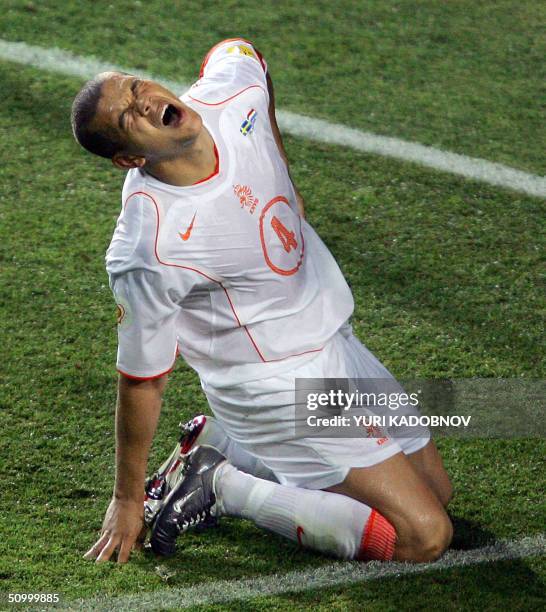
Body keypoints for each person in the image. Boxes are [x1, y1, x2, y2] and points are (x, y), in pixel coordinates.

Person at [71, 38, 453, 565]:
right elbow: (143, 378)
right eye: (127, 115)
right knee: (422, 536)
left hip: (329, 337)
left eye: (136, 88)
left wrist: (284, 167)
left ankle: (226, 446)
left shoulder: (229, 100)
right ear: (131, 158)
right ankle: (223, 486)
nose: (141, 102)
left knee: (438, 495)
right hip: (272, 384)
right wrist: (126, 497)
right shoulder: (149, 246)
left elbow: (237, 49)